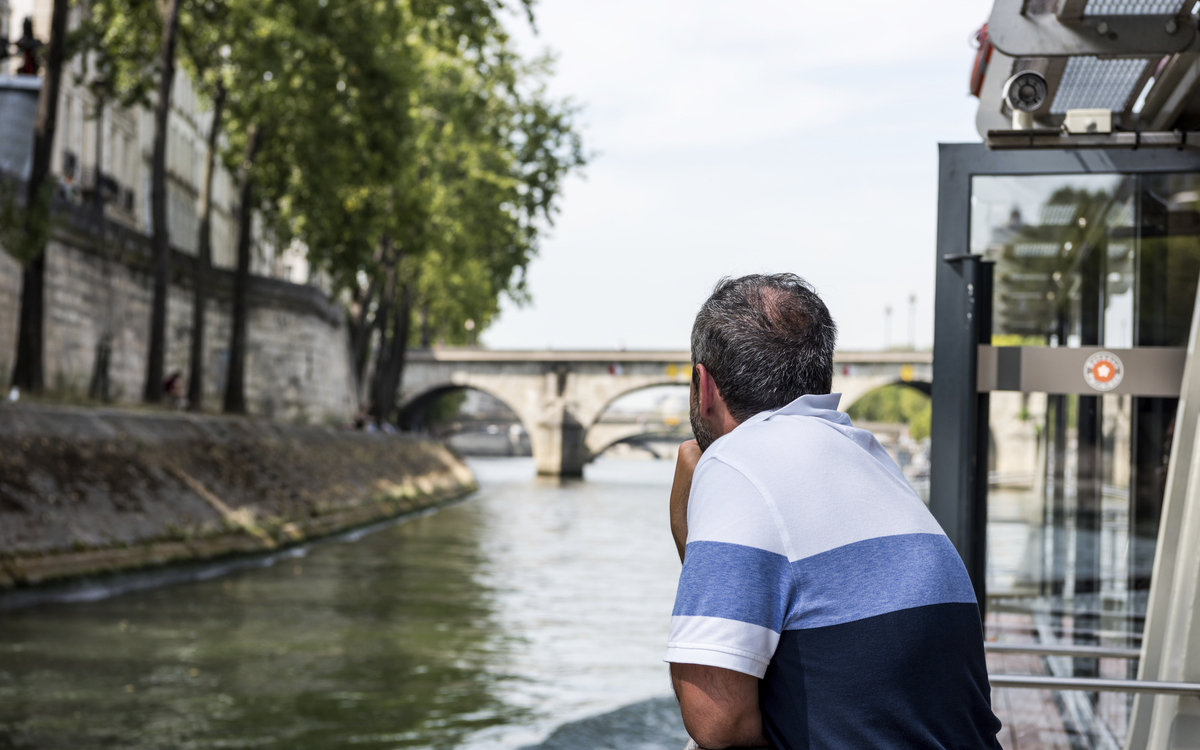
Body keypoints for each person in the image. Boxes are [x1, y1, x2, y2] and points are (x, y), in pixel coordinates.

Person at [666, 274, 1002, 750]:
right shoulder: (868, 456)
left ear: (704, 386)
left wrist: (689, 496)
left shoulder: (735, 456)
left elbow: (715, 720)